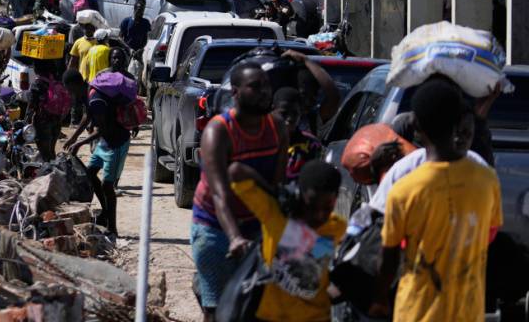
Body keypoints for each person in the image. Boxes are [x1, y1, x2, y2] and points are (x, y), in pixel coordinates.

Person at [370, 78, 502, 321]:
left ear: (417, 129)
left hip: (416, 311)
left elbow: (388, 255)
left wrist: (379, 299)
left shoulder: (404, 189)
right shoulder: (487, 179)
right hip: (467, 311)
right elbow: (489, 235)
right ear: (458, 124)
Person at [192, 61, 287, 320]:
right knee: (219, 310)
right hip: (215, 227)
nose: (265, 92)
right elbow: (220, 194)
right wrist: (234, 237)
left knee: (255, 306)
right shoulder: (219, 131)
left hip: (256, 224)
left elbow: (276, 186)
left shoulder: (277, 127)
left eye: (267, 86)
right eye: (255, 87)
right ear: (235, 92)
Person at [229, 160, 346, 321]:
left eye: (327, 207)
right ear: (300, 194)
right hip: (272, 316)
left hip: (316, 316)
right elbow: (236, 170)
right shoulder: (275, 214)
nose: (319, 215)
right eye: (312, 205)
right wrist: (277, 194)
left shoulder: (336, 226)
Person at [66, 65, 136, 237]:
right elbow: (87, 117)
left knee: (107, 185)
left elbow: (102, 129)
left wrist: (79, 143)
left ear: (74, 86)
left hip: (116, 142)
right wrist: (73, 137)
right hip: (104, 142)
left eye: (69, 90)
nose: (70, 94)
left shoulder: (96, 99)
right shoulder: (90, 92)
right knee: (90, 174)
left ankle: (113, 227)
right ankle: (105, 213)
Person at [27, 60, 68, 161]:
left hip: (42, 122)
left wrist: (27, 121)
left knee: (44, 153)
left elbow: (32, 106)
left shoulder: (38, 83)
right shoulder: (55, 81)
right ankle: (54, 171)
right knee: (51, 150)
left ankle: (49, 173)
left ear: (37, 68)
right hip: (56, 120)